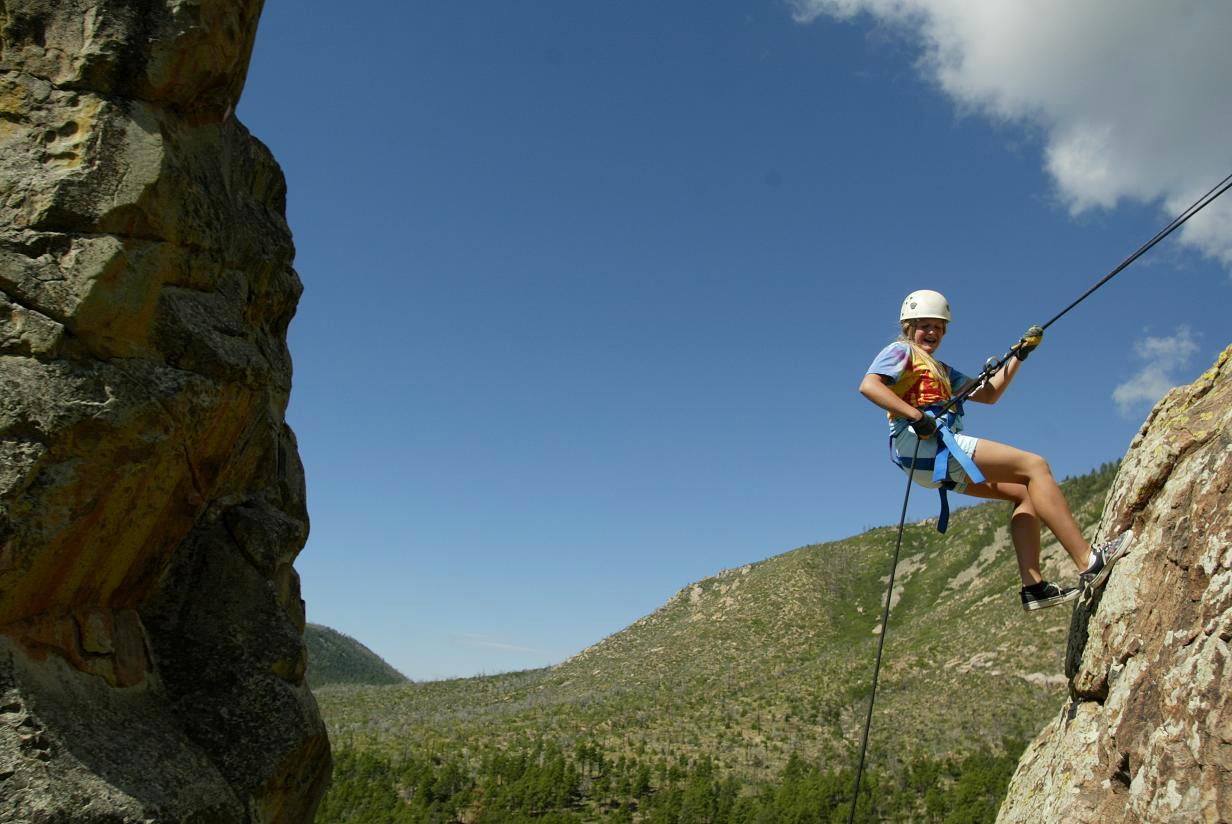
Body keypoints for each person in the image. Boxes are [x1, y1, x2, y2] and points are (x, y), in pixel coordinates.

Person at [859, 289, 1132, 611]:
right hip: (925, 445)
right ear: (908, 327)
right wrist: (916, 416)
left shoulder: (942, 370)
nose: (932, 332)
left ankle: (1034, 588)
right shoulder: (901, 351)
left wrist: (1018, 355)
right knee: (1035, 466)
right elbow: (870, 385)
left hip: (929, 457)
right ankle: (1088, 560)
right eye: (924, 325)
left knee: (1024, 493)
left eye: (938, 327)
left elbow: (988, 394)